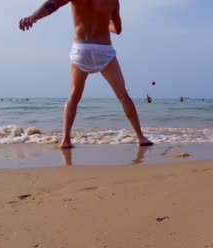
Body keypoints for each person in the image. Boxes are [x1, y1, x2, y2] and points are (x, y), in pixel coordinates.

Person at [19, 0, 153, 148]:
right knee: (122, 95)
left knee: (73, 97)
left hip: (81, 49)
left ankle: (66, 140)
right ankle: (140, 137)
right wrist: (105, 24)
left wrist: (32, 18)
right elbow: (118, 29)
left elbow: (52, 5)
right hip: (103, 50)